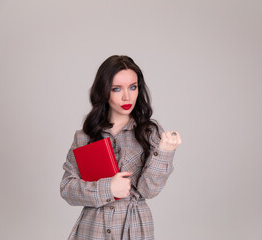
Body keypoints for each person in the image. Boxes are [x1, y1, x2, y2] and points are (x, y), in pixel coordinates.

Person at [60, 55, 182, 240]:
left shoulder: (149, 133)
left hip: (133, 229)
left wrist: (164, 152)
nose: (127, 96)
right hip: (92, 229)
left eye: (133, 87)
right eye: (117, 89)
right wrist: (108, 188)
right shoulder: (85, 136)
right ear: (103, 92)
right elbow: (67, 189)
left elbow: (149, 191)